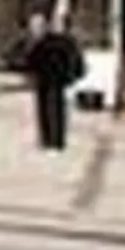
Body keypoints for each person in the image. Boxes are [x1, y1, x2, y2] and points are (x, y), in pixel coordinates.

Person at [19, 15, 86, 151]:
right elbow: (31, 59)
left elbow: (74, 60)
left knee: (54, 108)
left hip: (55, 79)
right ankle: (49, 138)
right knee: (47, 108)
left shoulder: (63, 42)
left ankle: (54, 139)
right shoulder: (46, 41)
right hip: (46, 78)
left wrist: (72, 75)